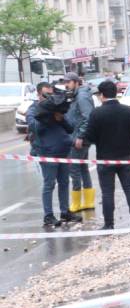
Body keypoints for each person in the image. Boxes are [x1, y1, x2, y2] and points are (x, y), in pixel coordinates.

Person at [76, 80, 130, 230]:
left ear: (102, 95)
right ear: (115, 93)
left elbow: (90, 136)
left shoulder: (97, 113)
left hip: (105, 159)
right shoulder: (127, 111)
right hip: (125, 157)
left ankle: (109, 224)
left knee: (107, 193)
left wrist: (85, 140)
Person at [27, 82, 77, 227]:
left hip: (63, 151)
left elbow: (70, 128)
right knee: (49, 184)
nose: (49, 97)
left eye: (51, 94)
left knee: (64, 182)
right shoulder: (33, 109)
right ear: (38, 94)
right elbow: (34, 127)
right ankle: (48, 216)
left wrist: (60, 118)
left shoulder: (57, 107)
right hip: (47, 152)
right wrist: (48, 117)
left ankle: (65, 212)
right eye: (46, 95)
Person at [62, 72, 96, 212]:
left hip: (79, 139)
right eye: (65, 82)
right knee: (82, 168)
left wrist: (80, 136)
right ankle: (88, 201)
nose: (66, 84)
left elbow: (88, 118)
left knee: (74, 169)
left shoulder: (81, 96)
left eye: (69, 82)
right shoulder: (76, 95)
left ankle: (76, 203)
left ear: (76, 82)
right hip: (78, 137)